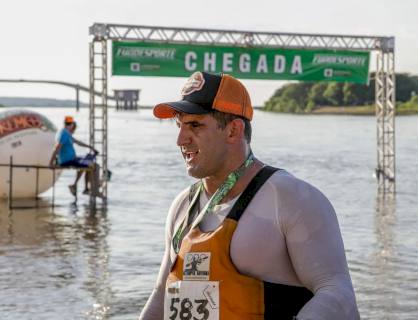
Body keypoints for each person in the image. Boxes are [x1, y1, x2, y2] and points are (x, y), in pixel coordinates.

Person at [140, 71, 360, 320]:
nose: (180, 139)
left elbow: (338, 293)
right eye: (179, 125)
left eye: (195, 125)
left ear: (233, 131)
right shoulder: (182, 206)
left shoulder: (290, 198)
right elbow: (162, 296)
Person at [49, 116, 98, 196]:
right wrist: (51, 162)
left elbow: (78, 142)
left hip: (72, 159)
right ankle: (86, 188)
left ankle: (77, 186)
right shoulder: (64, 134)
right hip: (67, 161)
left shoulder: (65, 132)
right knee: (90, 164)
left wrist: (90, 147)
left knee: (87, 160)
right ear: (71, 125)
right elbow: (57, 148)